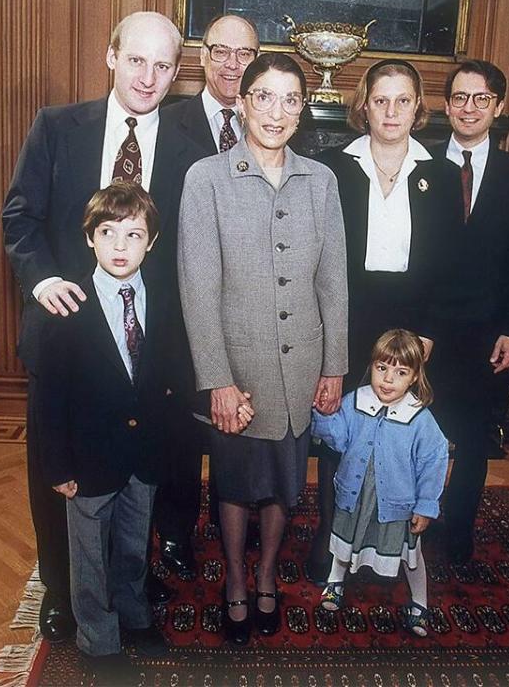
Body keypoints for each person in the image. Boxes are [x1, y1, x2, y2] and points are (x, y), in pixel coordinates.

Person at [2, 11, 184, 641]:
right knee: (63, 467)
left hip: (144, 343)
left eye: (163, 65)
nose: (148, 76)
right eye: (136, 60)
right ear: (111, 57)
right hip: (66, 335)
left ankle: (128, 580)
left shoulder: (190, 143)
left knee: (136, 474)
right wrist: (43, 278)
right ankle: (61, 587)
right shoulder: (58, 127)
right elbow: (20, 217)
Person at [177, 52, 348, 645]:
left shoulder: (321, 181)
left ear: (303, 109)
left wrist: (334, 367)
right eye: (264, 97)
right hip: (238, 370)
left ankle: (269, 572)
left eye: (290, 99)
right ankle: (234, 579)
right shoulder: (206, 179)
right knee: (234, 483)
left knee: (283, 481)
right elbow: (197, 288)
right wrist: (217, 379)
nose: (276, 112)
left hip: (303, 364)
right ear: (242, 102)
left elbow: (333, 281)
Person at [307, 59, 462, 582]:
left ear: (419, 108)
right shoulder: (334, 167)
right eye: (381, 100)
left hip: (412, 324)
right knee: (344, 432)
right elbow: (320, 257)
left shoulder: (440, 175)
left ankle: (389, 548)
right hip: (349, 316)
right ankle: (335, 549)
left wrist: (427, 335)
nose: (391, 111)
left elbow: (447, 265)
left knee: (400, 442)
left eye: (403, 100)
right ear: (364, 106)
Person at [34, 183, 182, 672]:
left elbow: (166, 379)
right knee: (90, 555)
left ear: (152, 242)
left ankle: (135, 614)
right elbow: (49, 398)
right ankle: (98, 639)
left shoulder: (163, 300)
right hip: (88, 459)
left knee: (135, 543)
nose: (121, 246)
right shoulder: (66, 308)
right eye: (109, 233)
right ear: (89, 238)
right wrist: (57, 466)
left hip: (143, 457)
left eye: (134, 235)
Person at [153, 14, 260, 577]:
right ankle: (174, 534)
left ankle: (231, 526)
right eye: (221, 50)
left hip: (248, 309)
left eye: (245, 53)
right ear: (201, 56)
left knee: (239, 420)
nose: (232, 64)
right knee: (179, 432)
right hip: (180, 305)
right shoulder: (167, 124)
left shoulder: (273, 118)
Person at [430, 59, 509, 563]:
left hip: (485, 335)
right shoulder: (421, 164)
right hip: (425, 331)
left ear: (498, 107)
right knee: (416, 433)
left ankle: (456, 533)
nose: (468, 108)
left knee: (473, 439)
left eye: (480, 99)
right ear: (446, 104)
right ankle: (403, 525)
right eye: (459, 97)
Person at [311, 329, 449, 637]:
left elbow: (434, 461)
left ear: (414, 376)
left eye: (400, 372)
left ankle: (419, 603)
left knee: (411, 556)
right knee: (344, 541)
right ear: (372, 366)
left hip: (397, 504)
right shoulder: (356, 400)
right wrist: (323, 414)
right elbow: (338, 438)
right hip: (356, 495)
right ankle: (335, 582)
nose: (387, 380)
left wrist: (426, 505)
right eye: (381, 368)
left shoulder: (420, 417)